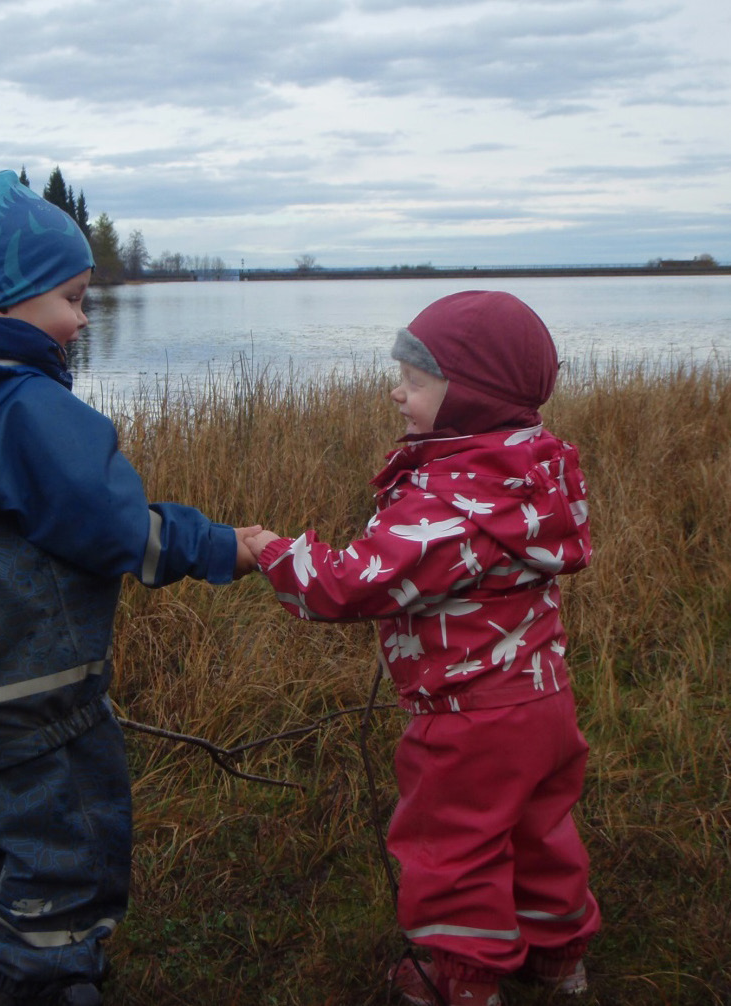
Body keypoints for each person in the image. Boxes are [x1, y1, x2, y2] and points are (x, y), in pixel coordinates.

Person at [0, 170, 260, 1006]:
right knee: (73, 860)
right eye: (70, 297)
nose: (81, 318)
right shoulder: (22, 405)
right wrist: (219, 547)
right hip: (28, 700)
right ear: (4, 302)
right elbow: (113, 528)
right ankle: (25, 982)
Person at [245, 291, 600, 1006]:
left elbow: (347, 586)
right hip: (542, 698)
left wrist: (270, 552)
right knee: (540, 830)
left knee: (454, 847)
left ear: (470, 394)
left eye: (415, 379)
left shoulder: (448, 503)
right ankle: (559, 959)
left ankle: (461, 978)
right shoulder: (528, 470)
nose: (395, 390)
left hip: (468, 715)